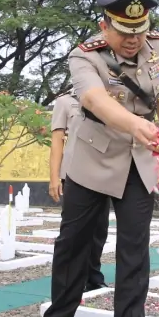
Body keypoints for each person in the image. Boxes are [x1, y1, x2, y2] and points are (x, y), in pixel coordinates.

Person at [31, 0, 159, 317]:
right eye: (124, 31)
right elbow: (95, 100)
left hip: (137, 161)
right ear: (104, 25)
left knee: (134, 250)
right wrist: (137, 126)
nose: (133, 40)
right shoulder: (84, 55)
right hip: (92, 156)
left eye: (139, 30)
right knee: (74, 244)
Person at [49, 89, 110, 292]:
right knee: (73, 232)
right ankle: (70, 282)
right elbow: (57, 140)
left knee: (99, 229)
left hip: (101, 173)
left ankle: (93, 277)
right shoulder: (65, 102)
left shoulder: (106, 98)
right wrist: (54, 178)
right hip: (73, 174)